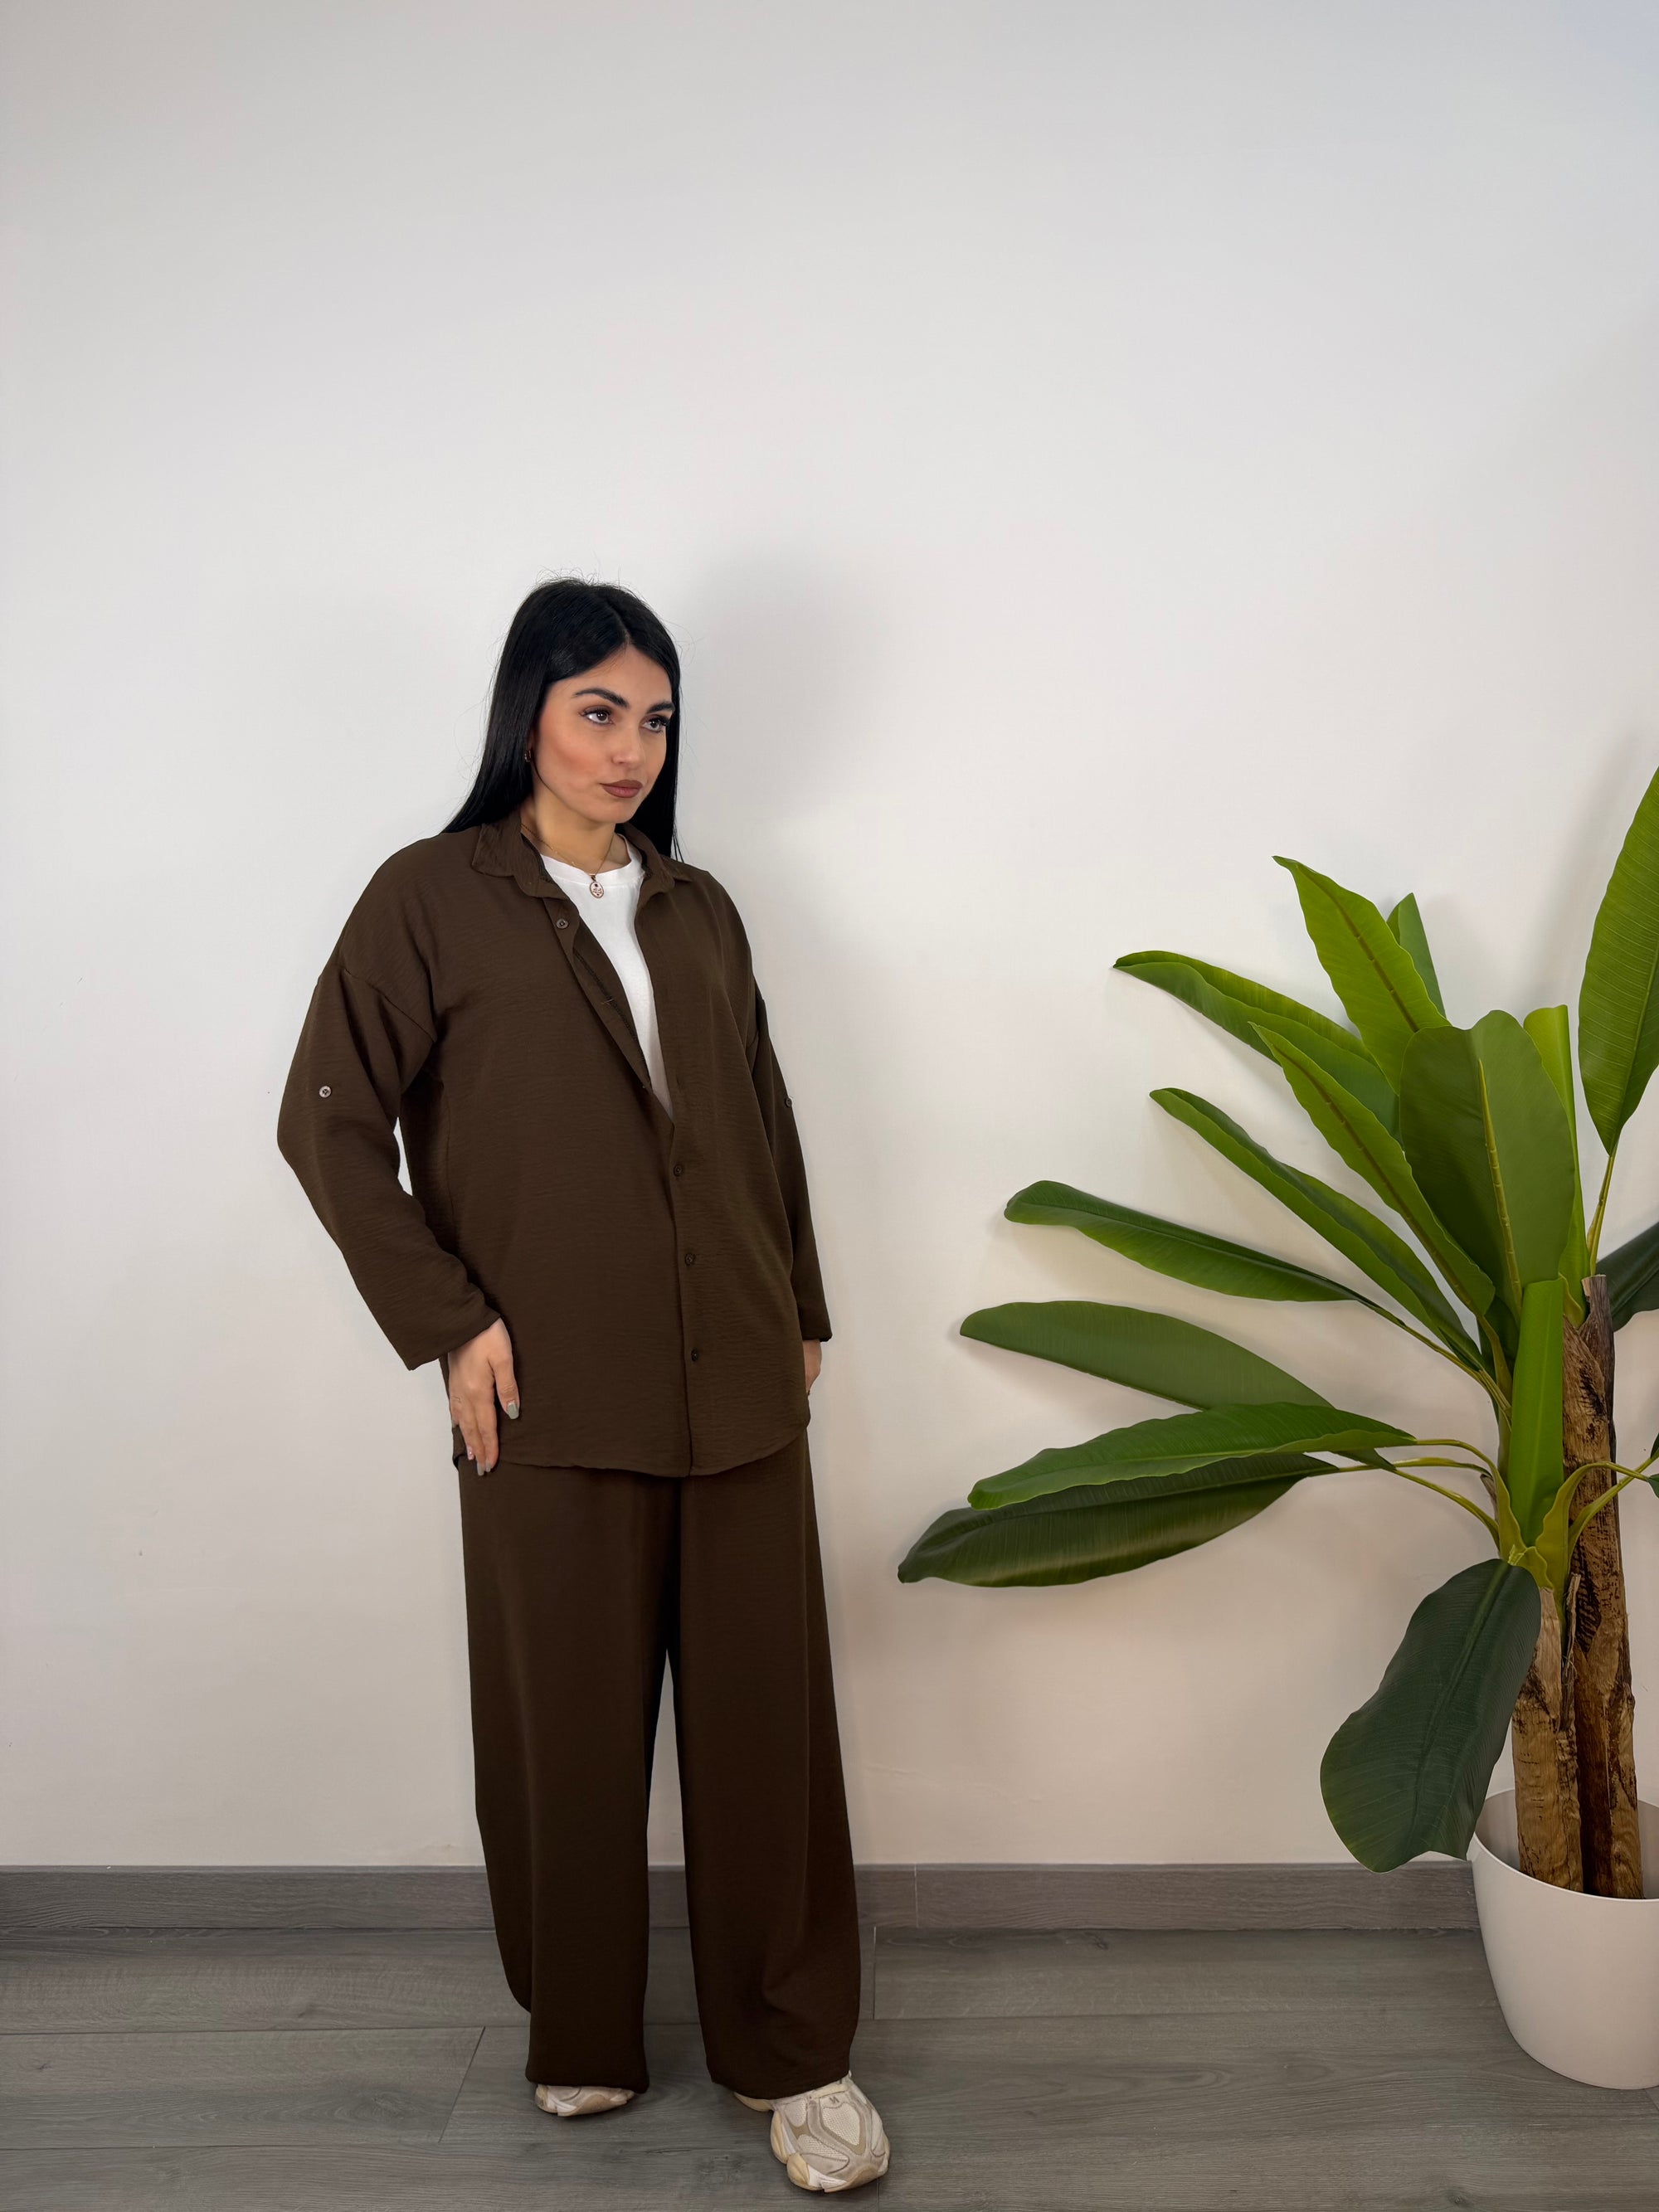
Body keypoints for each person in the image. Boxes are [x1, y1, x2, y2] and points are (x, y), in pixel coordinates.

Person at [275, 577, 890, 2193]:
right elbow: (326, 1120)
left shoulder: (701, 909)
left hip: (738, 1377)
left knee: (766, 1737)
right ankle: (584, 2027)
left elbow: (759, 1115)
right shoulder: (430, 897)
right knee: (564, 1730)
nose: (631, 747)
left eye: (656, 717)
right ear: (528, 715)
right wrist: (449, 1322)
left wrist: (799, 1304)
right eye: (598, 710)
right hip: (541, 1391)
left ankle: (796, 2055)